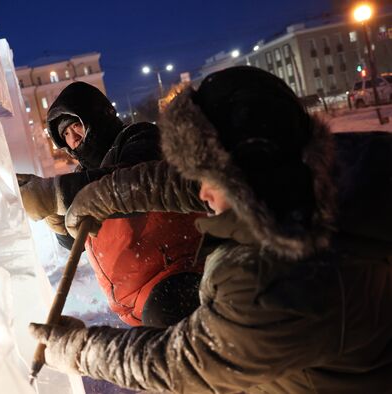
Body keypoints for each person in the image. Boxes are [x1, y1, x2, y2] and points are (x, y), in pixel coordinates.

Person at [29, 67, 392, 393]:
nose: (200, 192)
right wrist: (102, 196)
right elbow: (174, 183)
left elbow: (179, 364)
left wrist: (81, 351)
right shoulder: (310, 169)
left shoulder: (277, 284)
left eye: (208, 176)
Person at [18, 81, 206, 327]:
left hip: (175, 279)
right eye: (66, 136)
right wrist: (59, 222)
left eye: (77, 127)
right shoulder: (84, 172)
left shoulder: (138, 137)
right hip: (134, 303)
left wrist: (55, 194)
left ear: (96, 119)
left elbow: (133, 183)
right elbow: (79, 242)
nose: (74, 139)